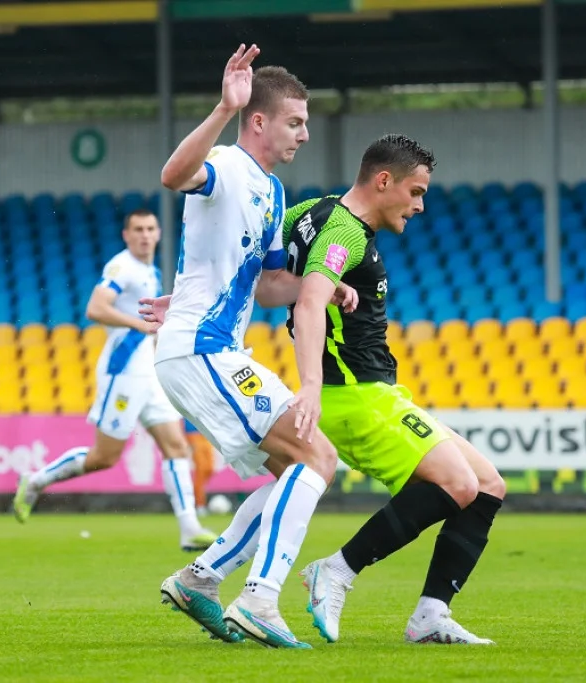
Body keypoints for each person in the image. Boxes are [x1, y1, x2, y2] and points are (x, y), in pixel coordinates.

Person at [152, 44, 354, 649]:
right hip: (203, 348)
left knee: (298, 471)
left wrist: (324, 284)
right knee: (317, 458)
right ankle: (260, 599)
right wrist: (223, 108)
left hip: (211, 350)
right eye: (295, 122)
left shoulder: (273, 190)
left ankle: (201, 579)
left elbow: (267, 286)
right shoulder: (226, 163)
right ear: (259, 120)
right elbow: (173, 177)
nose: (304, 135)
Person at [286, 134, 506, 645]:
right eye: (416, 191)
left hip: (376, 393)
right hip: (355, 395)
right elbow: (311, 302)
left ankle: (431, 614)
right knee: (459, 484)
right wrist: (311, 385)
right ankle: (336, 570)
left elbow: (258, 259)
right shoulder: (345, 230)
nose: (420, 205)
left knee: (487, 485)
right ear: (384, 181)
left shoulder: (312, 212)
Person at [12, 211, 217, 553]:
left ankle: (189, 529)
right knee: (104, 457)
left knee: (177, 446)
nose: (145, 235)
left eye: (150, 229)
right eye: (138, 229)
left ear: (158, 233)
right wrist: (139, 326)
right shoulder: (122, 267)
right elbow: (95, 308)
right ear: (126, 235)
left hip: (148, 372)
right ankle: (34, 481)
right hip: (123, 372)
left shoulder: (151, 272)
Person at [183, 419, 216, 517]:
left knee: (209, 468)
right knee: (201, 469)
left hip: (206, 431)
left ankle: (198, 498)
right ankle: (199, 504)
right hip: (192, 432)